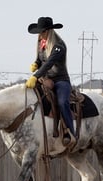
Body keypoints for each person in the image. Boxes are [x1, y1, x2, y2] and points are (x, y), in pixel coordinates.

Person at [25, 17, 76, 147]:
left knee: (62, 102)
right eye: (39, 32)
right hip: (45, 79)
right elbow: (41, 60)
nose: (40, 34)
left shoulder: (59, 45)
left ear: (49, 31)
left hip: (60, 80)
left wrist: (35, 76)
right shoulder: (41, 43)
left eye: (42, 32)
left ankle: (70, 132)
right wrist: (36, 64)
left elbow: (49, 63)